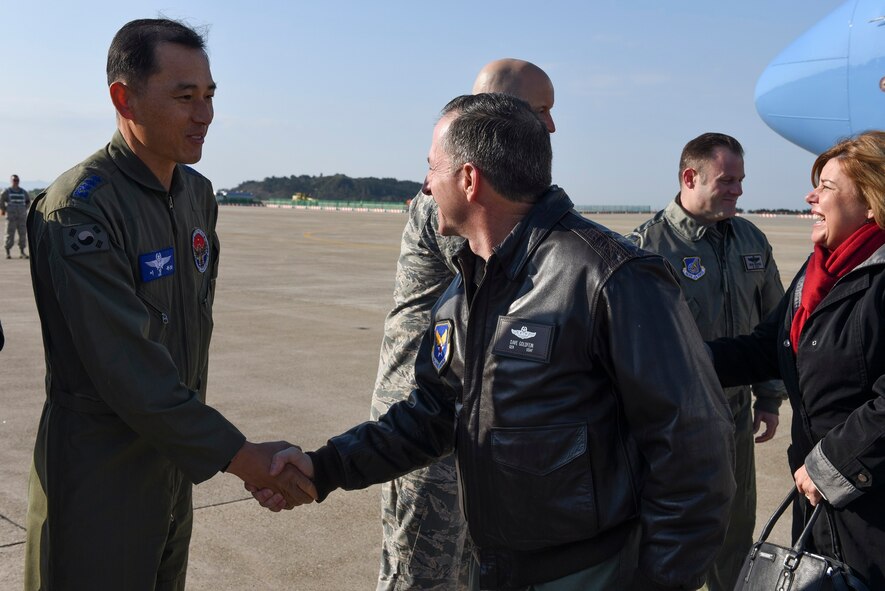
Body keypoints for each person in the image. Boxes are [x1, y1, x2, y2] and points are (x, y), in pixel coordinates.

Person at [260, 93, 736, 590]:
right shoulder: (464, 290)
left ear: (469, 180)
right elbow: (432, 415)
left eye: (431, 168)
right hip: (494, 570)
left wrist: (657, 584)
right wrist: (324, 467)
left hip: (592, 573)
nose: (425, 185)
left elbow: (695, 452)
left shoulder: (612, 278)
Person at [24, 18, 315, 590]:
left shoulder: (195, 195)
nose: (204, 115)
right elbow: (127, 367)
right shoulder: (80, 208)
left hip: (174, 466)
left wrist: (211, 450)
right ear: (123, 97)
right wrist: (242, 456)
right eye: (184, 97)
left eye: (208, 96)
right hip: (99, 474)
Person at [370, 58, 555, 590]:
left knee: (476, 569)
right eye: (542, 111)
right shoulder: (454, 196)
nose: (552, 126)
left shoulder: (496, 191)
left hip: (470, 412)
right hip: (426, 411)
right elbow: (520, 279)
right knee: (420, 572)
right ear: (505, 114)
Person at [708, 131, 885, 589]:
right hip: (820, 502)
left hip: (871, 509)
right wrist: (684, 359)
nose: (810, 195)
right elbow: (771, 348)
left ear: (872, 201)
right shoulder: (817, 272)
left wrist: (831, 466)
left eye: (826, 186)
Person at [627, 133, 787, 591]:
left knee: (735, 531)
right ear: (689, 177)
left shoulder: (750, 239)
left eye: (741, 181)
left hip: (735, 414)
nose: (738, 191)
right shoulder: (645, 247)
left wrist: (770, 398)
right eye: (727, 180)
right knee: (670, 539)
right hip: (672, 422)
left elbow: (774, 322)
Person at [1, 174, 31, 259]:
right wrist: (4, 209)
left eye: (17, 180)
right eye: (14, 180)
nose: (16, 182)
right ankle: (8, 252)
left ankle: (22, 252)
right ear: (11, 181)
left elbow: (28, 202)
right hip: (11, 217)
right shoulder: (7, 191)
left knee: (22, 234)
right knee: (9, 234)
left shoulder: (23, 192)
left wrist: (24, 209)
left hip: (21, 217)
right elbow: (1, 200)